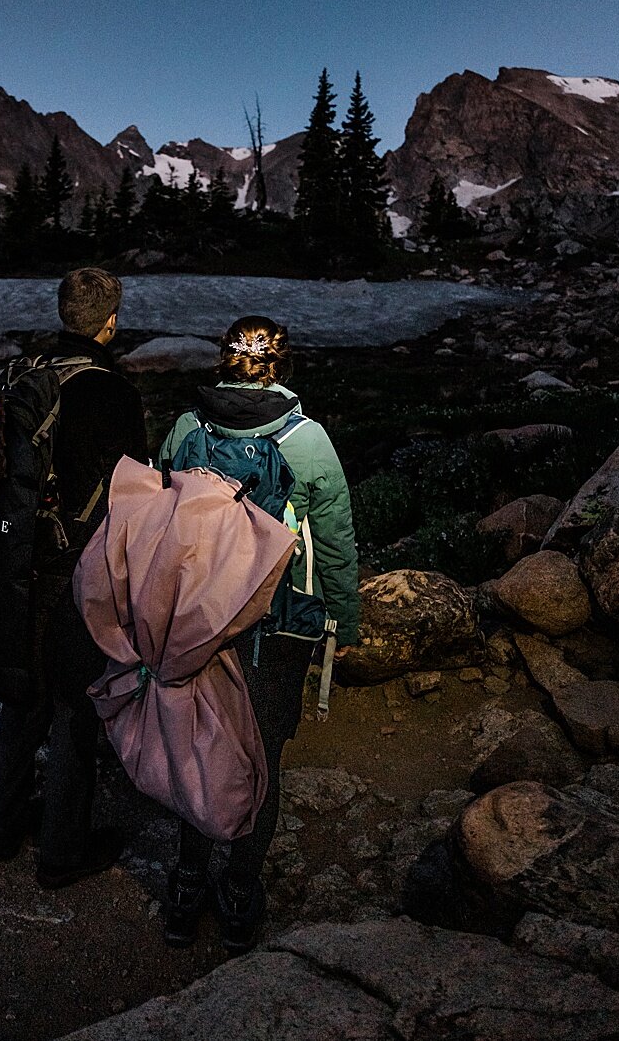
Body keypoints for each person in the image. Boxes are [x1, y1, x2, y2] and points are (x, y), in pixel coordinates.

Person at [154, 314, 360, 951]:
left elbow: (162, 516)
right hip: (281, 626)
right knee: (262, 756)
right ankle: (240, 890)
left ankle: (188, 884)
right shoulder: (308, 440)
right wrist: (344, 619)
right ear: (282, 365)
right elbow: (334, 539)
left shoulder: (188, 428)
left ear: (223, 361)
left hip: (201, 623)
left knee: (198, 747)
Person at [0, 267, 149, 887]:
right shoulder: (111, 393)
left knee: (20, 692)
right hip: (74, 564)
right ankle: (60, 854)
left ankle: (3, 828)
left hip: (13, 557)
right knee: (76, 706)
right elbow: (131, 489)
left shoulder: (22, 374)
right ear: (110, 321)